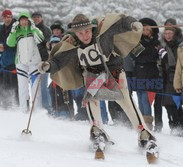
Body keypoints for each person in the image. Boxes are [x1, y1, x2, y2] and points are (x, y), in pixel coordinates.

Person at [38, 13, 158, 163]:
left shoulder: (103, 33)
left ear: (91, 29)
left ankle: (144, 134)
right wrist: (48, 66)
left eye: (87, 31)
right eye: (81, 33)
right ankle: (97, 131)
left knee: (126, 102)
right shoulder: (72, 42)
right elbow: (59, 60)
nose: (85, 36)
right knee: (91, 100)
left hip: (114, 72)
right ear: (76, 33)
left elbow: (120, 23)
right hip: (92, 75)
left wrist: (133, 24)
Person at [7, 11, 44, 112]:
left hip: (34, 62)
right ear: (19, 21)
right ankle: (23, 109)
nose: (23, 22)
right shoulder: (17, 30)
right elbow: (10, 43)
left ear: (28, 20)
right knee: (22, 88)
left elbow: (41, 39)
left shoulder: (33, 29)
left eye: (25, 19)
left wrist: (34, 28)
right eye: (21, 20)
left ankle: (37, 110)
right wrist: (13, 31)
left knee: (35, 87)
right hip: (21, 62)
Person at [155, 18, 183, 133]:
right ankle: (174, 126)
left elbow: (178, 61)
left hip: (177, 76)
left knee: (176, 103)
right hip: (165, 77)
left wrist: (165, 56)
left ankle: (181, 126)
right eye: (166, 33)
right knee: (168, 103)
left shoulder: (180, 44)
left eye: (170, 33)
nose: (168, 35)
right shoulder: (162, 45)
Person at [133, 17, 161, 130]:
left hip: (150, 74)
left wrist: (146, 55)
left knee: (146, 98)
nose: (146, 32)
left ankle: (148, 122)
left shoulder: (156, 42)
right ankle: (141, 121)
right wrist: (146, 55)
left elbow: (153, 56)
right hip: (139, 73)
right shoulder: (137, 42)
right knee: (139, 98)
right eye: (143, 29)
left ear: (151, 31)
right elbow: (135, 55)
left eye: (148, 30)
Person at [32, 11, 52, 113]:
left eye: (38, 17)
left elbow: (48, 43)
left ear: (41, 18)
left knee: (43, 85)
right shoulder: (30, 29)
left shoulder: (45, 29)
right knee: (35, 85)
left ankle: (47, 107)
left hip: (43, 60)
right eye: (34, 17)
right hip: (33, 60)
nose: (36, 19)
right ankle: (37, 106)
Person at [0, 9, 19, 108]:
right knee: (3, 85)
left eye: (10, 17)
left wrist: (4, 47)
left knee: (16, 86)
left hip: (15, 60)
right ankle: (5, 106)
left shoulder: (16, 27)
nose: (8, 19)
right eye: (6, 17)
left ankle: (21, 106)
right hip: (3, 61)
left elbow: (17, 43)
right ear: (2, 17)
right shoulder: (1, 28)